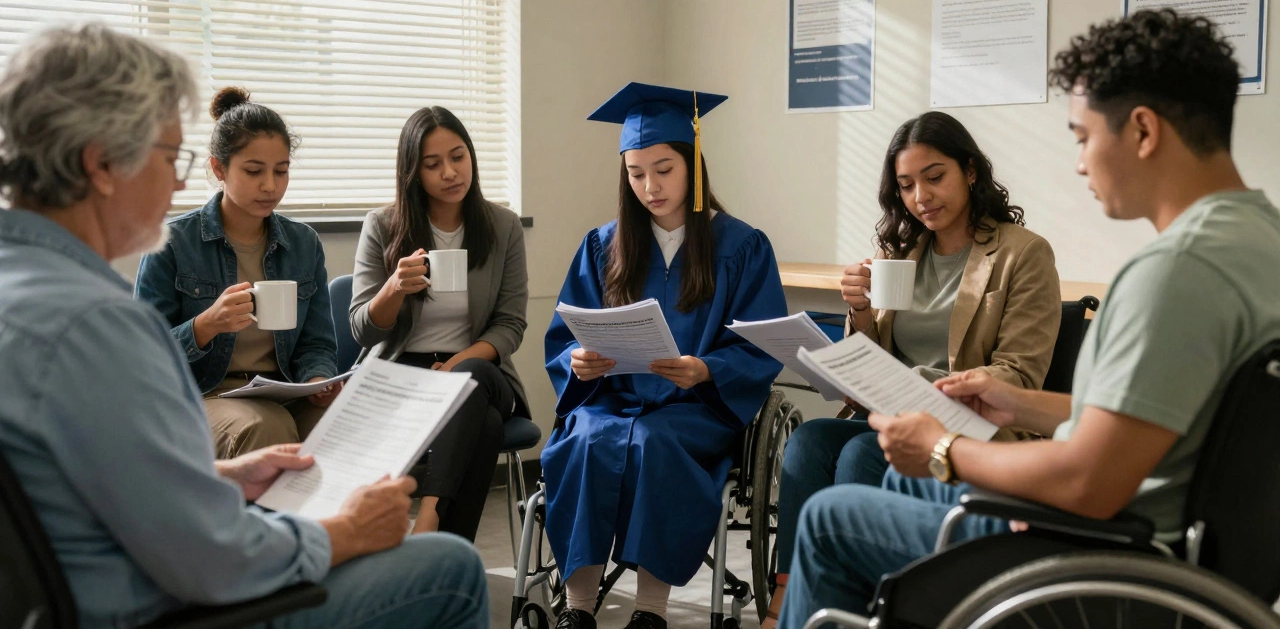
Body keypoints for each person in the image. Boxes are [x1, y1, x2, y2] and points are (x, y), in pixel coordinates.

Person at [777, 9, 1280, 627]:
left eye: (1081, 136)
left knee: (833, 518)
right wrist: (1018, 405)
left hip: (1101, 553)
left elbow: (1087, 480)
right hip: (1185, 549)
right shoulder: (1259, 242)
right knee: (883, 476)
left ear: (1143, 131)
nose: (1078, 162)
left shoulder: (1173, 272)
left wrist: (943, 446)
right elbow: (1162, 418)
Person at [0, 23, 487, 629]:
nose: (179, 182)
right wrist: (346, 532)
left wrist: (223, 477)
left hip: (85, 582)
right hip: (161, 604)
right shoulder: (95, 325)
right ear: (101, 163)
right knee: (450, 567)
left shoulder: (20, 287)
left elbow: (108, 479)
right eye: (169, 157)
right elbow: (208, 558)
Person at [764, 112, 1062, 627]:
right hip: (889, 416)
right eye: (906, 185)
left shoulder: (1022, 253)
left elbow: (1020, 373)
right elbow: (871, 356)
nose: (921, 195)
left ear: (970, 171)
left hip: (969, 426)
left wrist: (918, 387)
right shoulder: (899, 252)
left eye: (934, 176)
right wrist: (857, 309)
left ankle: (875, 605)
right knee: (809, 440)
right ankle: (787, 600)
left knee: (860, 448)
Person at [544, 82, 788, 629]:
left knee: (655, 443)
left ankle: (650, 611)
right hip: (613, 400)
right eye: (635, 173)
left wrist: (707, 369)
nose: (650, 186)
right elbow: (566, 336)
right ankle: (578, 608)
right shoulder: (603, 245)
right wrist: (579, 363)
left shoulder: (742, 246)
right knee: (584, 437)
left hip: (693, 411)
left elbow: (760, 342)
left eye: (664, 169)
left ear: (692, 165)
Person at [350, 105, 529, 541]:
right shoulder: (382, 225)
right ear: (413, 172)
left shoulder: (503, 226)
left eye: (458, 156)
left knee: (471, 382)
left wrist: (454, 370)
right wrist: (394, 288)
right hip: (404, 375)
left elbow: (510, 325)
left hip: (480, 371)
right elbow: (362, 329)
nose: (450, 172)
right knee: (484, 426)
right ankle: (448, 555)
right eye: (433, 164)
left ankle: (427, 519)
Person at [135, 86, 341, 459]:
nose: (270, 186)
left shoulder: (304, 243)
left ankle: (342, 520)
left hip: (280, 390)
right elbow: (142, 354)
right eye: (253, 171)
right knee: (269, 429)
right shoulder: (172, 241)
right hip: (202, 394)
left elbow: (317, 343)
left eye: (281, 171)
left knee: (345, 421)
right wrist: (206, 325)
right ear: (218, 168)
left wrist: (317, 380)